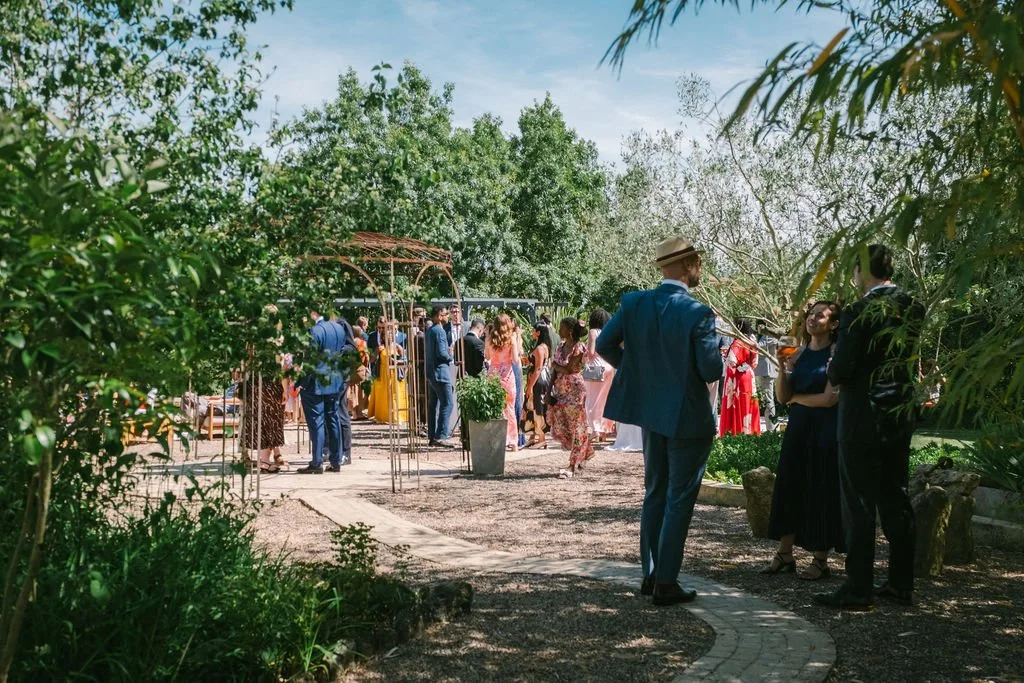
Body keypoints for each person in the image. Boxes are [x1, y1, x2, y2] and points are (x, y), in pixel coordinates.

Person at [596, 236, 723, 607]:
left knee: (655, 491)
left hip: (651, 413)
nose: (699, 268)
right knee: (679, 499)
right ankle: (666, 582)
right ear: (687, 266)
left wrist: (639, 374)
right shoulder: (698, 313)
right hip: (688, 416)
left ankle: (651, 575)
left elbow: (604, 344)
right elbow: (711, 368)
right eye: (697, 263)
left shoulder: (635, 304)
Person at [817, 244, 925, 611]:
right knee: (895, 495)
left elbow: (845, 367)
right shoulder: (913, 307)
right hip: (898, 412)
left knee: (858, 501)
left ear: (863, 271)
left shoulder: (859, 311)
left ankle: (858, 587)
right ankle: (900, 583)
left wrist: (832, 366)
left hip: (861, 413)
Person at [762, 301, 844, 580]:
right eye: (811, 314)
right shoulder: (797, 353)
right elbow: (783, 397)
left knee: (820, 487)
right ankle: (785, 554)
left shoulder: (835, 354)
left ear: (833, 325)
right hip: (798, 429)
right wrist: (782, 367)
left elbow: (830, 398)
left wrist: (798, 400)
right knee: (790, 485)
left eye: (820, 315)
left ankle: (820, 559)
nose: (812, 318)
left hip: (824, 430)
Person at [297, 309, 350, 474]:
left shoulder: (314, 331)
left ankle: (317, 461)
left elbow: (309, 360)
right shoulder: (338, 328)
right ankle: (336, 460)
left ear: (313, 313)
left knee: (317, 423)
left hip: (315, 384)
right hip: (334, 382)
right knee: (333, 419)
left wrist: (300, 382)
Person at [549, 317, 592, 477]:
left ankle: (573, 464)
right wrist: (548, 392)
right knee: (563, 423)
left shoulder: (579, 347)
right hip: (560, 390)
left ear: (570, 330)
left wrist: (554, 365)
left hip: (575, 390)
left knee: (577, 425)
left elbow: (569, 368)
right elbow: (556, 371)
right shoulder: (560, 347)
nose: (559, 330)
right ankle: (584, 454)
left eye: (562, 327)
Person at [719, 319, 761, 436]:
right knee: (749, 404)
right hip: (749, 375)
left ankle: (736, 432)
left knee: (738, 405)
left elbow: (732, 361)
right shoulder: (752, 340)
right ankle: (750, 432)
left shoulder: (738, 342)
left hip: (738, 377)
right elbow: (755, 362)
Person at [485, 313, 519, 450]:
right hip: (507, 375)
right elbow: (516, 360)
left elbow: (487, 356)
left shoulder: (489, 339)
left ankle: (497, 439)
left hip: (493, 374)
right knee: (509, 408)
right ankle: (512, 441)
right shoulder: (511, 339)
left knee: (495, 408)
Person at [240, 370, 285, 473]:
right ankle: (264, 461)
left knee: (263, 420)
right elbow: (283, 368)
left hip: (256, 384)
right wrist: (285, 389)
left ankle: (265, 460)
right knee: (268, 421)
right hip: (270, 385)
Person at [367, 321, 409, 425]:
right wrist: (375, 353)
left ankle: (397, 417)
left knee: (395, 395)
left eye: (391, 335)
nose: (389, 337)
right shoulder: (380, 348)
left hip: (395, 375)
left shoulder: (398, 347)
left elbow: (405, 360)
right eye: (386, 335)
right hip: (382, 375)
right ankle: (383, 417)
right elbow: (372, 360)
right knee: (384, 397)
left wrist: (396, 362)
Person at [584, 308, 616, 442]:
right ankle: (603, 430)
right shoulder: (608, 332)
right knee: (604, 400)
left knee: (592, 400)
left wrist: (584, 355)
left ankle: (595, 430)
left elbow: (591, 352)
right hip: (609, 366)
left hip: (595, 367)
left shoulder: (593, 332)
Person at [425, 306, 456, 448]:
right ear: (438, 316)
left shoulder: (429, 331)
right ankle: (441, 436)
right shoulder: (440, 331)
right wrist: (451, 355)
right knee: (448, 403)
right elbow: (442, 353)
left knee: (433, 405)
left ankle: (432, 436)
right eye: (445, 314)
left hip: (431, 373)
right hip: (441, 372)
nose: (447, 316)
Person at [524, 322, 552, 449]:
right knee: (533, 407)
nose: (532, 332)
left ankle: (541, 438)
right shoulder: (545, 347)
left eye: (534, 330)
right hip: (541, 379)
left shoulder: (540, 348)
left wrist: (530, 385)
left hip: (538, 381)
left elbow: (538, 368)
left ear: (539, 332)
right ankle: (533, 436)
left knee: (537, 408)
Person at [754, 320, 779, 432]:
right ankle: (770, 427)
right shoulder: (767, 335)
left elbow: (758, 347)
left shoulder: (769, 336)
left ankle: (772, 428)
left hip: (767, 371)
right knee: (767, 399)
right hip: (763, 371)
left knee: (769, 399)